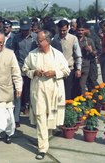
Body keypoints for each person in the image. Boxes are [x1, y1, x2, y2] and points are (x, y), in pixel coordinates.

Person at [22, 30, 70, 160]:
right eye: (37, 40)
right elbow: (25, 69)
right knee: (40, 117)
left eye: (40, 40)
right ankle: (42, 148)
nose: (38, 42)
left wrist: (54, 73)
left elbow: (66, 70)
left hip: (54, 90)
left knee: (51, 118)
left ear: (48, 41)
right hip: (38, 90)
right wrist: (34, 72)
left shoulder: (57, 55)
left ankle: (46, 137)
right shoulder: (32, 55)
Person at [12, 17, 37, 126]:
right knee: (18, 95)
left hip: (33, 70)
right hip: (20, 70)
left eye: (27, 29)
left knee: (33, 95)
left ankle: (34, 117)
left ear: (31, 27)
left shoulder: (36, 38)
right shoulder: (16, 38)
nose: (25, 31)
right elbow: (12, 53)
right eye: (23, 29)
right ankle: (16, 119)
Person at [51, 19, 82, 100]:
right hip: (57, 70)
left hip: (69, 69)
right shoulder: (54, 39)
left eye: (64, 30)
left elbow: (78, 55)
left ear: (68, 28)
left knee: (68, 93)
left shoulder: (73, 39)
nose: (62, 32)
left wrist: (78, 69)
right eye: (60, 30)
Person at [75, 23, 97, 95]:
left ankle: (83, 102)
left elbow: (95, 54)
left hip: (85, 66)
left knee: (82, 85)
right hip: (75, 66)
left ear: (85, 31)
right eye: (79, 30)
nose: (80, 32)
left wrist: (90, 50)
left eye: (82, 30)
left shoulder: (89, 41)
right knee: (75, 86)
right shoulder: (74, 39)